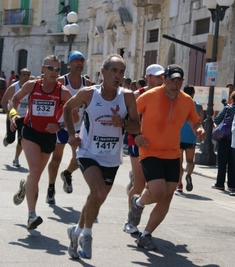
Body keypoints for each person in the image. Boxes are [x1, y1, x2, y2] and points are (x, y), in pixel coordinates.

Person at [63, 54, 140, 259]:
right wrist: (71, 133)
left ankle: (75, 232)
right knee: (97, 191)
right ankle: (87, 236)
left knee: (97, 197)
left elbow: (136, 126)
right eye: (114, 71)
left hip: (112, 157)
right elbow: (67, 107)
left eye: (121, 72)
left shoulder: (128, 96)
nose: (118, 75)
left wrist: (122, 123)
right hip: (88, 152)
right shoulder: (89, 93)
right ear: (103, 72)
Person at [128, 64, 205, 250]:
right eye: (172, 80)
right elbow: (129, 116)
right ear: (165, 80)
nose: (175, 84)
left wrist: (199, 130)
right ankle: (138, 203)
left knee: (167, 196)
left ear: (182, 82)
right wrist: (136, 135)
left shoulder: (186, 101)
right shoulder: (150, 96)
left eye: (179, 81)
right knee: (159, 191)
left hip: (172, 153)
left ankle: (146, 234)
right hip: (149, 151)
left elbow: (195, 121)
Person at [11, 55, 75, 230]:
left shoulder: (63, 92)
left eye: (57, 69)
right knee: (36, 170)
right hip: (30, 132)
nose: (54, 72)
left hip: (48, 136)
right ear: (43, 68)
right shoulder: (32, 85)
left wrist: (60, 125)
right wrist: (13, 115)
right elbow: (14, 100)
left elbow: (75, 115)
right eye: (50, 68)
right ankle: (32, 215)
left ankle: (25, 186)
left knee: (35, 177)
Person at [123, 63, 165, 235]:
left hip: (158, 145)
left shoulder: (166, 95)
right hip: (138, 142)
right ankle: (130, 219)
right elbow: (127, 119)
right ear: (147, 77)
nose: (161, 79)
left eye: (162, 76)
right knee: (140, 183)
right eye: (157, 76)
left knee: (155, 186)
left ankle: (137, 201)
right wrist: (136, 135)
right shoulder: (136, 95)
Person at [46, 51, 92, 204]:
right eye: (76, 61)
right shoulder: (61, 81)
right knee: (57, 158)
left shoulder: (87, 84)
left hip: (79, 127)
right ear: (69, 64)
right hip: (61, 126)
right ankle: (51, 188)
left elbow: (91, 107)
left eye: (81, 61)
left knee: (79, 159)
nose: (79, 64)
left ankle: (67, 173)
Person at [1, 68, 31, 167]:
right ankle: (7, 139)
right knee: (11, 139)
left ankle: (16, 158)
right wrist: (9, 113)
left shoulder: (31, 88)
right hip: (13, 116)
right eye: (24, 74)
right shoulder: (14, 87)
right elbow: (3, 101)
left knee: (21, 139)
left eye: (27, 75)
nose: (26, 77)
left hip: (23, 117)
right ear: (19, 75)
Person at [176, 85, 204, 193]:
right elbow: (199, 122)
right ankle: (188, 174)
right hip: (191, 137)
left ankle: (179, 184)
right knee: (190, 161)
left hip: (179, 136)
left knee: (179, 162)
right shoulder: (198, 107)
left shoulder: (179, 104)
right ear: (193, 93)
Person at [212, 91, 235, 191]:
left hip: (224, 137)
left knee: (222, 162)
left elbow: (217, 120)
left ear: (232, 99)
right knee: (232, 163)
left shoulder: (228, 108)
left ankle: (220, 183)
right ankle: (232, 185)